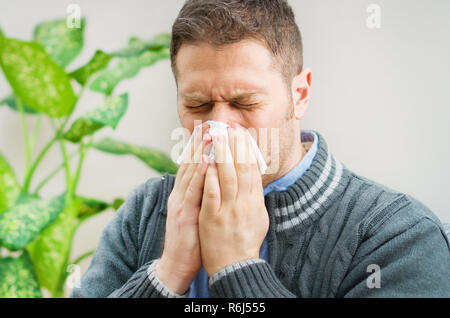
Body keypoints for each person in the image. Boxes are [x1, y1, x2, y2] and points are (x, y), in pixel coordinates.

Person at [71, 0, 450, 298]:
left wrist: (239, 270)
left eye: (244, 102)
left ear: (298, 95)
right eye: (197, 105)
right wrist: (166, 276)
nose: (218, 127)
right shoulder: (144, 214)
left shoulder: (399, 236)